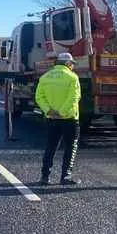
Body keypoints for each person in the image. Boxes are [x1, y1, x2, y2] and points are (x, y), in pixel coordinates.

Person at [36, 52, 81, 186]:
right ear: (67, 64)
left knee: (51, 146)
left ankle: (45, 176)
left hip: (52, 118)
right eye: (72, 64)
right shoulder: (72, 77)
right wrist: (62, 112)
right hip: (69, 118)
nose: (72, 66)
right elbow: (74, 98)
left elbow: (39, 97)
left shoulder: (45, 77)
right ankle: (65, 176)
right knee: (70, 147)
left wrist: (49, 111)